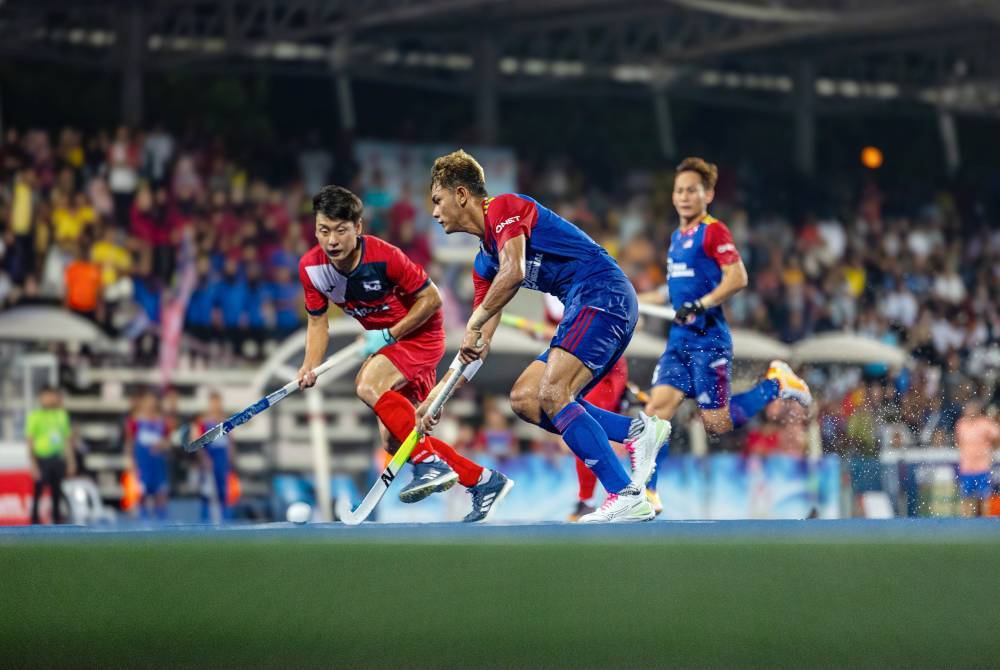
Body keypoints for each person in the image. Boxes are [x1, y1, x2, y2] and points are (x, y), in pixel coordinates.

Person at [419, 149, 670, 523]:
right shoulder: (483, 263)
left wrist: (478, 320)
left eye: (438, 201)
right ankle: (636, 431)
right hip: (583, 306)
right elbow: (479, 339)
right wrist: (442, 390)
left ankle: (625, 494)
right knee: (526, 398)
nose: (435, 213)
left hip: (604, 293)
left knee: (554, 393)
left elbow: (515, 271)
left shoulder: (505, 207)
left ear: (461, 194)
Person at [296, 185, 509, 522]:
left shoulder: (385, 256)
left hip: (420, 335)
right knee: (397, 442)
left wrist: (388, 334)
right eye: (324, 231)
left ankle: (429, 464)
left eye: (340, 230)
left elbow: (432, 299)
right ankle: (484, 481)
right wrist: (310, 365)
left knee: (367, 384)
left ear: (358, 228)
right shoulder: (311, 268)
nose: (332, 241)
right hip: (390, 345)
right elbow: (317, 323)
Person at [639, 157, 812, 505]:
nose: (684, 197)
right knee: (656, 412)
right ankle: (647, 493)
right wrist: (630, 300)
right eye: (679, 191)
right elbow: (669, 293)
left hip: (709, 342)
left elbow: (738, 277)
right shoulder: (676, 238)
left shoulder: (713, 231)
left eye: (692, 191)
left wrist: (702, 304)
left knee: (716, 425)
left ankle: (777, 383)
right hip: (678, 341)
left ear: (708, 195)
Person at [25, 386, 76, 524]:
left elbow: (66, 440)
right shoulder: (35, 416)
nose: (49, 399)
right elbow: (30, 440)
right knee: (38, 491)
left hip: (57, 458)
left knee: (57, 491)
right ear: (41, 398)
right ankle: (34, 520)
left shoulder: (61, 415)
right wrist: (33, 463)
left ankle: (57, 519)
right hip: (42, 458)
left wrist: (71, 461)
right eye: (46, 396)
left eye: (51, 395)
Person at [124, 388, 171, 519]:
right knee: (141, 494)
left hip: (158, 462)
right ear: (143, 402)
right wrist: (129, 459)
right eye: (147, 401)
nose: (150, 404)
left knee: (161, 493)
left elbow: (168, 441)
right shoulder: (135, 420)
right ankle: (142, 523)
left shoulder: (162, 421)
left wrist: (163, 445)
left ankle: (162, 524)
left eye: (152, 401)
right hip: (142, 462)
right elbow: (130, 441)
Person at [195, 391, 236, 521]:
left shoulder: (225, 420)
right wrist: (204, 458)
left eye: (218, 402)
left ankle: (225, 517)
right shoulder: (203, 422)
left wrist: (230, 455)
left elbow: (229, 440)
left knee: (222, 489)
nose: (216, 406)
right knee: (206, 490)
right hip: (209, 456)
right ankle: (205, 518)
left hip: (221, 456)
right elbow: (199, 443)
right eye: (213, 403)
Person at [954, 400, 999, 517]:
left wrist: (993, 448)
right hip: (967, 466)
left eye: (972, 409)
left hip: (982, 466)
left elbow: (997, 435)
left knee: (984, 496)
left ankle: (984, 523)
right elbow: (958, 441)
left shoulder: (985, 423)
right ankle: (967, 522)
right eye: (968, 410)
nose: (969, 412)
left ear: (977, 411)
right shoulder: (961, 424)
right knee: (966, 497)